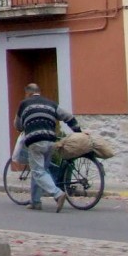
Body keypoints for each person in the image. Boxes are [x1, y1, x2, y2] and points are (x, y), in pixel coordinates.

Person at [14, 83, 81, 212]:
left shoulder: (24, 104)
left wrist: (25, 127)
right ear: (39, 92)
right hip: (50, 141)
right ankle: (35, 202)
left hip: (35, 141)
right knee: (40, 170)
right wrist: (78, 132)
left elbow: (17, 125)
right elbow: (68, 117)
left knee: (38, 172)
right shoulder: (51, 104)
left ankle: (58, 194)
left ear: (27, 93)